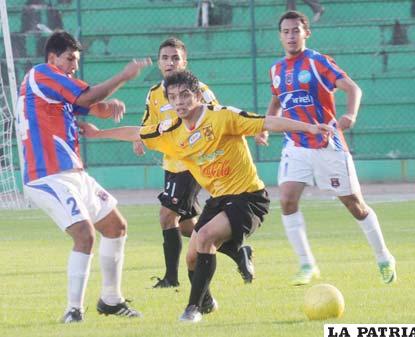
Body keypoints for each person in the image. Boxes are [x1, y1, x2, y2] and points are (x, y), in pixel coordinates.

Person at [79, 70, 332, 322]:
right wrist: (97, 134)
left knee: (206, 238)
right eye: (174, 97)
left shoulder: (223, 116)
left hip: (248, 197)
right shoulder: (171, 130)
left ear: (199, 95)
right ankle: (207, 301)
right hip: (218, 200)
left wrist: (310, 128)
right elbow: (137, 132)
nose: (180, 102)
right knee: (191, 258)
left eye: (186, 95)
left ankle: (192, 308)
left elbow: (268, 122)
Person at [16, 30, 152, 323]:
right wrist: (123, 76)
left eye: (76, 60)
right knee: (84, 234)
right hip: (47, 175)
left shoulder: (53, 87)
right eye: (70, 59)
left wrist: (109, 108)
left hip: (72, 172)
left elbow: (94, 106)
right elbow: (89, 95)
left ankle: (111, 300)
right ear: (53, 58)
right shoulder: (42, 73)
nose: (74, 66)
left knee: (116, 226)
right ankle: (73, 310)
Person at [255, 10, 396, 286]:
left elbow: (353, 88)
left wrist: (350, 115)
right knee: (286, 199)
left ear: (307, 32)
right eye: (286, 31)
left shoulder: (318, 63)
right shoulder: (276, 70)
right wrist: (264, 127)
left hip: (327, 143)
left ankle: (383, 256)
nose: (291, 36)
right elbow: (277, 99)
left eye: (296, 30)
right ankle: (307, 264)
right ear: (280, 36)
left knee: (355, 205)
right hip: (295, 145)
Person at [133, 37, 255, 288]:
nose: (170, 62)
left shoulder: (200, 90)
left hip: (191, 164)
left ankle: (171, 278)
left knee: (167, 217)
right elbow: (148, 125)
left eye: (175, 58)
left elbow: (220, 119)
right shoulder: (155, 94)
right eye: (165, 58)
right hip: (171, 164)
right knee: (189, 227)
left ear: (185, 61)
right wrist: (139, 138)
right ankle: (236, 250)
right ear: (158, 62)